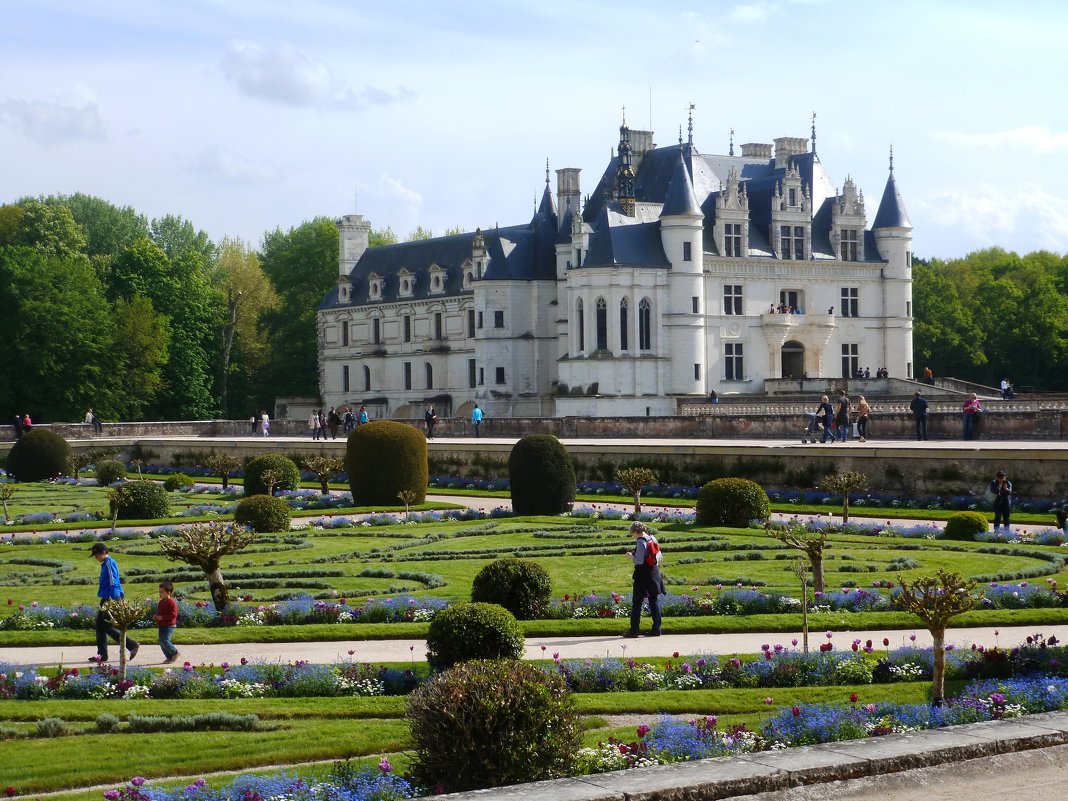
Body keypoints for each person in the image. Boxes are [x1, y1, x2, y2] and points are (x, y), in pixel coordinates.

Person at [89, 543, 139, 663]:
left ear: (103, 553)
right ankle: (102, 655)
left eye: (96, 554)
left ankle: (132, 645)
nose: (95, 557)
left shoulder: (110, 563)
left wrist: (116, 599)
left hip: (111, 597)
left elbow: (114, 581)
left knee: (106, 626)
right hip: (106, 597)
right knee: (100, 626)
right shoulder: (105, 564)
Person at [623, 522, 665, 638]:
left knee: (637, 602)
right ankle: (657, 628)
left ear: (636, 532)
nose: (632, 535)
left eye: (632, 533)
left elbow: (639, 561)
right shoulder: (652, 538)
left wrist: (631, 556)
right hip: (654, 572)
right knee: (653, 600)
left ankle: (634, 630)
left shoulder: (640, 541)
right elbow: (658, 555)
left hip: (643, 575)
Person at [153, 581, 180, 664]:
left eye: (162, 592)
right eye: (159, 592)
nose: (160, 594)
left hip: (169, 625)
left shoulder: (171, 602)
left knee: (165, 640)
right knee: (161, 642)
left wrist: (162, 617)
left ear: (169, 593)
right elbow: (159, 612)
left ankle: (175, 653)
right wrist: (156, 616)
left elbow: (173, 614)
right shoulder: (161, 602)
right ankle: (169, 657)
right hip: (162, 625)